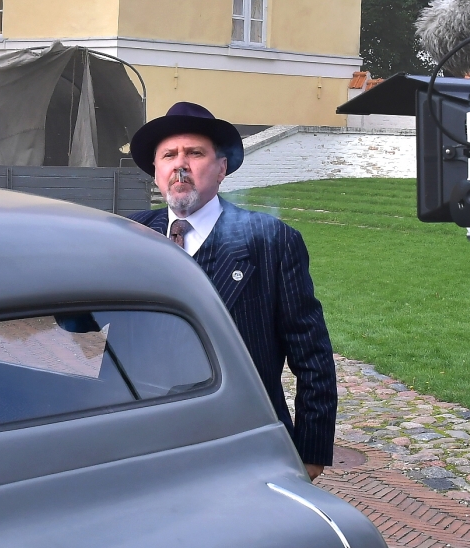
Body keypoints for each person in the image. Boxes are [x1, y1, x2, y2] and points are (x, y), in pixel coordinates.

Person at [128, 102, 337, 479]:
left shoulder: (271, 240)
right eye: (169, 155)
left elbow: (312, 354)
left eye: (195, 153)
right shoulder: (127, 235)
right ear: (156, 171)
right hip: (141, 439)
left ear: (221, 168)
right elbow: (86, 325)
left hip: (241, 441)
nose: (180, 165)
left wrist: (310, 450)